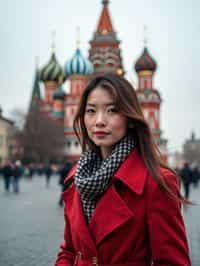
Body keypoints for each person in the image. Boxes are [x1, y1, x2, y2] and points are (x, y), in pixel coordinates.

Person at [55, 74, 191, 266]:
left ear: (130, 117)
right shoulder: (77, 178)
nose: (99, 121)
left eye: (112, 110)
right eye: (91, 111)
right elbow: (69, 250)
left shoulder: (156, 183)